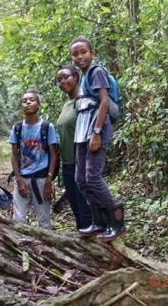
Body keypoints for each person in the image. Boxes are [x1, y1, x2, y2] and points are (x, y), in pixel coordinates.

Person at [69, 36, 126, 242]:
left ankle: (117, 222)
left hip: (95, 131)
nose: (80, 56)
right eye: (75, 54)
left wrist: (97, 132)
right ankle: (99, 221)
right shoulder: (82, 77)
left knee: (93, 177)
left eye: (83, 52)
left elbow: (103, 103)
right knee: (81, 180)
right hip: (82, 133)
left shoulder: (97, 72)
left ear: (92, 53)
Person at [9, 91, 58, 229]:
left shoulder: (47, 127)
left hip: (41, 179)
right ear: (21, 107)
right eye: (24, 101)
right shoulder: (17, 128)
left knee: (44, 221)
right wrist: (18, 179)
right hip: (22, 178)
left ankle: (46, 248)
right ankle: (21, 247)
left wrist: (49, 180)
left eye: (32, 100)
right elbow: (14, 155)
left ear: (39, 105)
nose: (28, 102)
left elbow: (53, 154)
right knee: (18, 219)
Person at [55, 64, 92, 230]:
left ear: (76, 77)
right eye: (59, 80)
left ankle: (95, 245)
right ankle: (82, 240)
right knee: (76, 206)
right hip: (67, 163)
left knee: (85, 205)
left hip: (81, 161)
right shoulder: (67, 104)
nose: (63, 82)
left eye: (66, 77)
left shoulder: (82, 102)